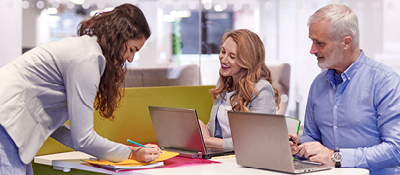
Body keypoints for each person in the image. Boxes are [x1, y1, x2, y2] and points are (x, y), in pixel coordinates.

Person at [0, 4, 161, 175]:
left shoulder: (84, 50)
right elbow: (83, 139)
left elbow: (59, 129)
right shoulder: (87, 60)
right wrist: (130, 153)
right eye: (131, 49)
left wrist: (124, 151)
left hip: (9, 124)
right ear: (116, 35)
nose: (130, 59)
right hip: (6, 124)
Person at [289, 4, 400, 174]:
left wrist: (336, 157)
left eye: (320, 43)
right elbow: (313, 137)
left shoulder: (385, 81)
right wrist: (299, 146)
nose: (312, 50)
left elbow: (396, 149)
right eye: (312, 41)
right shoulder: (318, 84)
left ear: (346, 42)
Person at [198, 29, 280, 150]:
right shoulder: (224, 82)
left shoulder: (262, 89)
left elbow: (255, 140)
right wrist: (200, 129)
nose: (223, 59)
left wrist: (209, 141)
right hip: (223, 157)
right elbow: (218, 128)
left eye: (232, 56)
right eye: (223, 51)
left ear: (247, 61)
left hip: (249, 160)